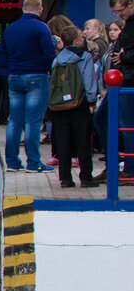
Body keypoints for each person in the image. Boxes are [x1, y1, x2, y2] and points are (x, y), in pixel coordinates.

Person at [1, 0, 56, 172]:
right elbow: (49, 54)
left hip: (15, 77)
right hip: (36, 76)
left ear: (23, 8)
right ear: (40, 9)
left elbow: (3, 53)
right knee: (33, 121)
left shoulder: (11, 28)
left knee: (14, 121)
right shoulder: (41, 27)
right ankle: (33, 163)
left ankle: (12, 162)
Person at [49, 26, 99, 188]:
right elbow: (89, 81)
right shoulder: (84, 57)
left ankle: (65, 178)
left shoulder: (57, 59)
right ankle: (85, 177)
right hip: (80, 103)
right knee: (83, 140)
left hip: (59, 106)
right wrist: (91, 101)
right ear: (76, 40)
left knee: (63, 141)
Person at [96, 0, 134, 182]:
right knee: (106, 120)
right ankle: (117, 164)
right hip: (121, 80)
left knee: (124, 124)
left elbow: (127, 53)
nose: (119, 15)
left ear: (130, 4)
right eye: (115, 13)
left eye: (121, 11)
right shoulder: (128, 25)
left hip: (126, 82)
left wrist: (123, 56)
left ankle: (125, 167)